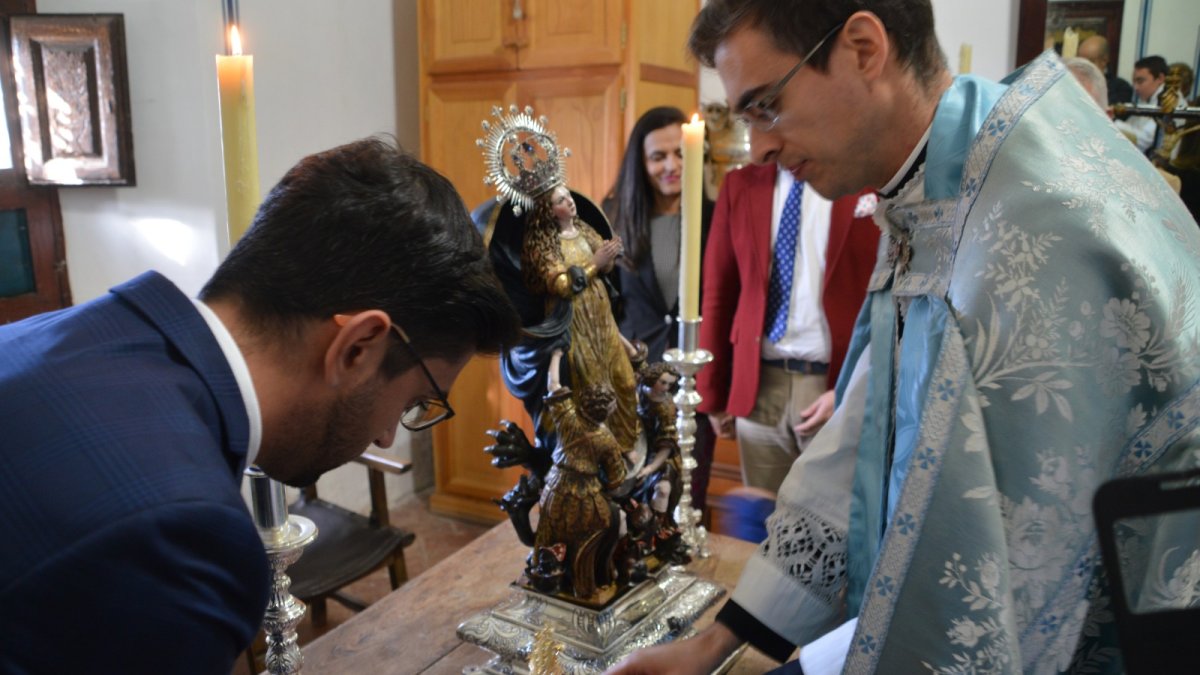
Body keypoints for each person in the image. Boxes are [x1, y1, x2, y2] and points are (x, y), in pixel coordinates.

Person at [609, 1, 1200, 673]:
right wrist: (717, 643)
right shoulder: (944, 182)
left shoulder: (1027, 224)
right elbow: (871, 429)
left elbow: (992, 576)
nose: (759, 148)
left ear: (863, 48)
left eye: (766, 105)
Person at [0, 138, 520, 674]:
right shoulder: (186, 537)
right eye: (415, 401)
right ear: (359, 348)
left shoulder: (55, 331)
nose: (388, 435)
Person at [697, 162, 879, 496]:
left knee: (829, 527)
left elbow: (888, 297)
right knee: (765, 522)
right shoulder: (741, 184)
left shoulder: (858, 175)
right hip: (759, 386)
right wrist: (711, 390)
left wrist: (854, 387)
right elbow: (719, 291)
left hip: (834, 383)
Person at [604, 105, 717, 512]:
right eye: (658, 156)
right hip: (633, 388)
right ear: (641, 163)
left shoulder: (718, 219)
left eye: (681, 153)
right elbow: (604, 311)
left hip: (692, 391)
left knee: (686, 502)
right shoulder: (613, 220)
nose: (672, 165)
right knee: (631, 504)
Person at [1116, 55, 1171, 154]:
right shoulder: (1147, 99)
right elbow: (1131, 125)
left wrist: (1112, 121)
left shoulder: (1169, 100)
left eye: (1140, 81)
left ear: (1160, 78)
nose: (1136, 87)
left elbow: (1142, 140)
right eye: (1134, 82)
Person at [1076, 35, 1132, 107]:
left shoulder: (1120, 88)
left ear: (1104, 61)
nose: (1083, 66)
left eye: (1089, 62)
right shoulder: (1074, 82)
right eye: (1080, 61)